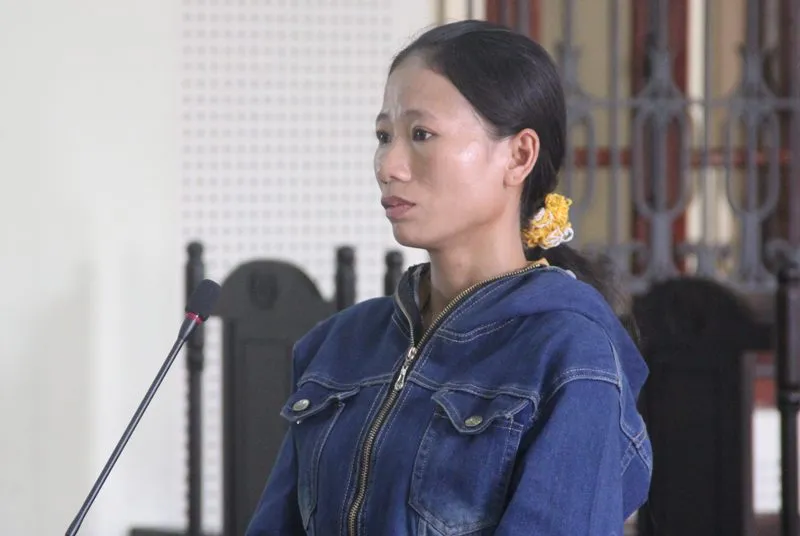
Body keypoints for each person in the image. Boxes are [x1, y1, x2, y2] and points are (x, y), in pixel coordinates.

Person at [246, 19, 652, 536]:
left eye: (421, 134)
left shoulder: (569, 356)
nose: (388, 165)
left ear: (519, 156)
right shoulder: (340, 345)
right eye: (383, 136)